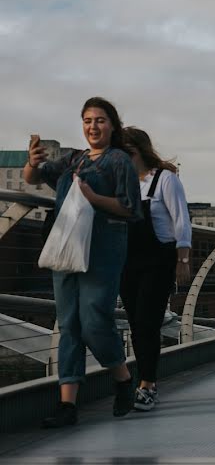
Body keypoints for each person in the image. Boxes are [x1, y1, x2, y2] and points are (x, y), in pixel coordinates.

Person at [22, 97, 141, 427]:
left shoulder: (119, 161)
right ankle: (67, 405)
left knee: (93, 320)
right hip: (66, 248)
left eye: (100, 120)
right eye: (88, 120)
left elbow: (131, 209)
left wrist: (94, 198)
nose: (93, 126)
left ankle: (121, 378)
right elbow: (33, 178)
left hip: (102, 251)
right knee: (69, 324)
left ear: (112, 125)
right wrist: (31, 161)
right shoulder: (74, 159)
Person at [119, 127, 192, 412]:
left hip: (158, 260)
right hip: (128, 261)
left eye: (128, 151)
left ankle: (147, 385)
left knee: (148, 322)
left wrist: (182, 260)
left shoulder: (165, 180)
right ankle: (140, 381)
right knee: (136, 324)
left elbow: (181, 221)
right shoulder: (122, 183)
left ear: (140, 151)